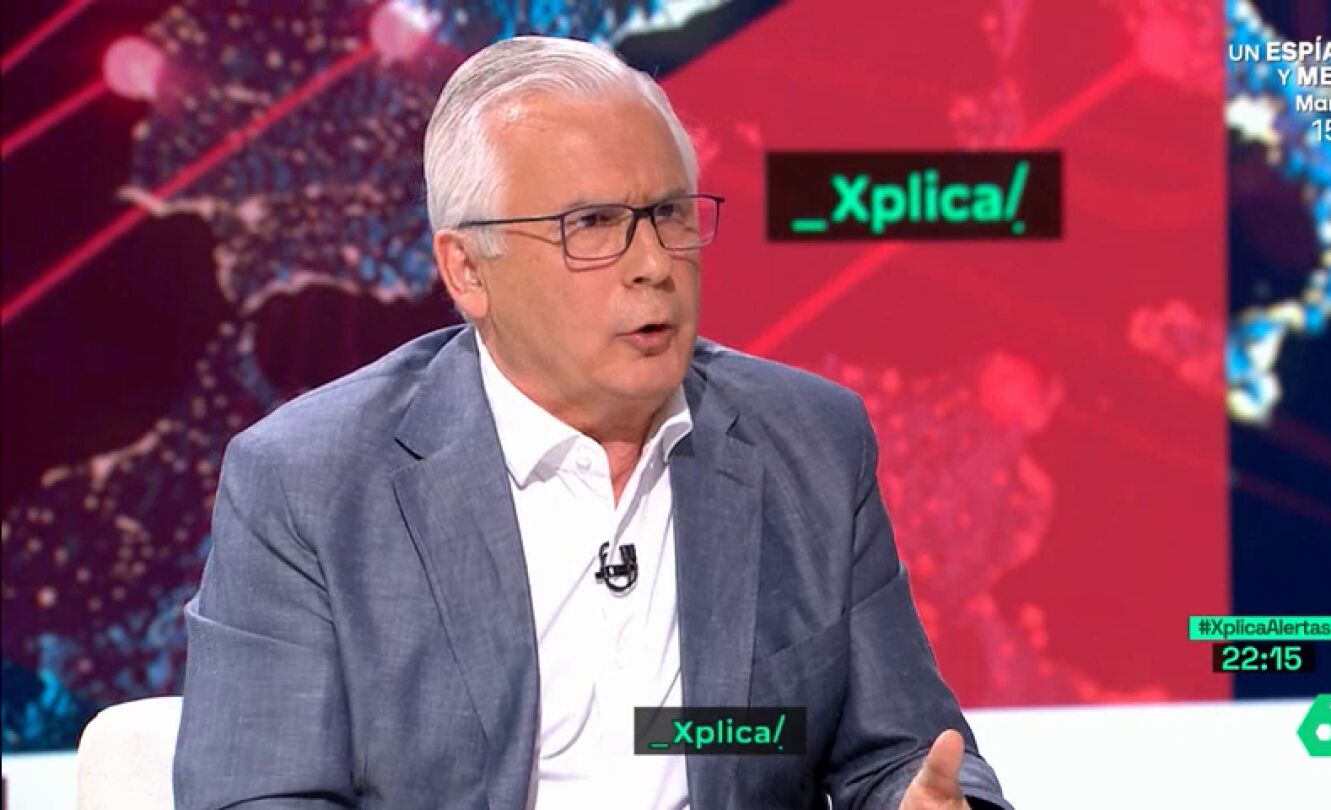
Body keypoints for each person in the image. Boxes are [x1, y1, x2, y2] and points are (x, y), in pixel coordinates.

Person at [174, 35, 1011, 810]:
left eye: (670, 214)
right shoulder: (310, 484)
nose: (653, 265)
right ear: (467, 270)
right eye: (593, 225)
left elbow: (901, 753)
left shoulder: (810, 444)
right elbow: (260, 794)